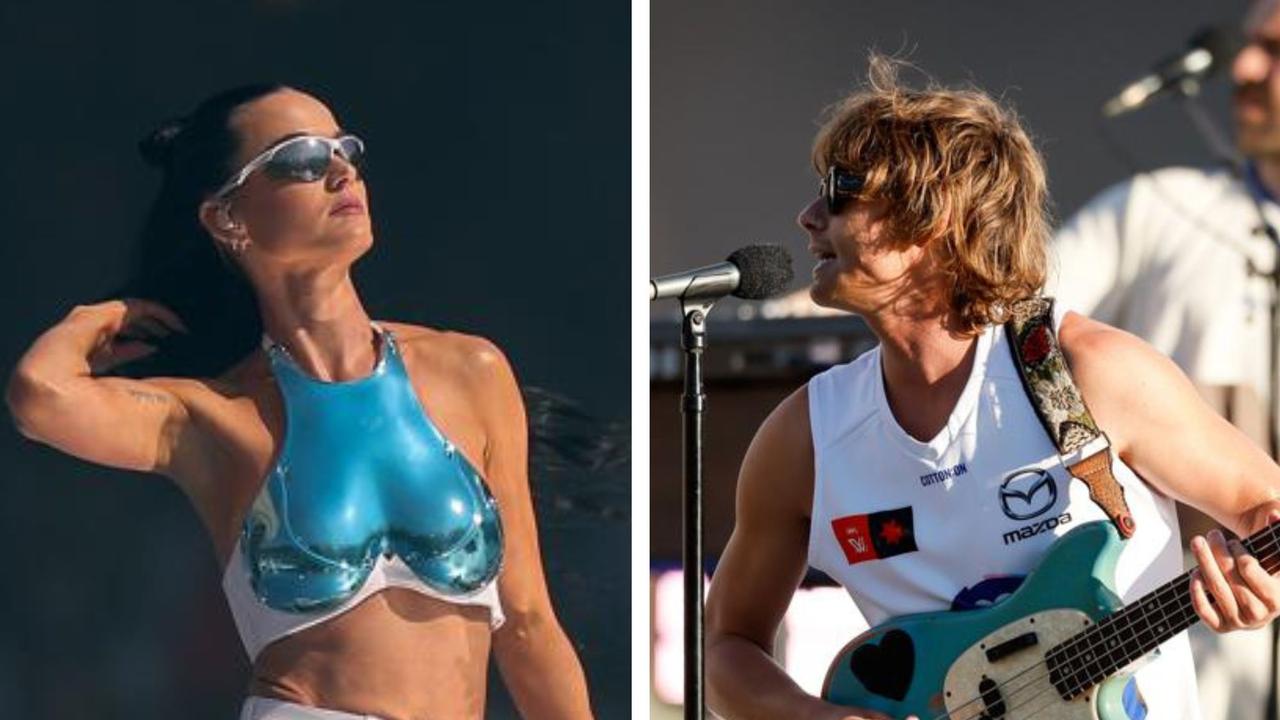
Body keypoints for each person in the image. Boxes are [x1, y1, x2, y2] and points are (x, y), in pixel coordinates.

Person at [704, 56, 1280, 720]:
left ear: (933, 217)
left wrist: (1258, 585)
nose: (808, 217)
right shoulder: (806, 435)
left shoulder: (1083, 368)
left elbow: (1265, 506)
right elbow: (726, 643)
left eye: (841, 190)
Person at [3, 84, 592, 720]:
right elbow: (40, 398)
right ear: (227, 217)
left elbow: (529, 624)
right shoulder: (213, 416)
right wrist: (98, 317)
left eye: (345, 149)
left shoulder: (472, 370)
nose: (342, 171)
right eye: (302, 159)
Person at [1049, 3, 1280, 717]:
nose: (1241, 69)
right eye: (1246, 48)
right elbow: (1011, 318)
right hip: (1191, 602)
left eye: (1271, 50)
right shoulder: (1159, 205)